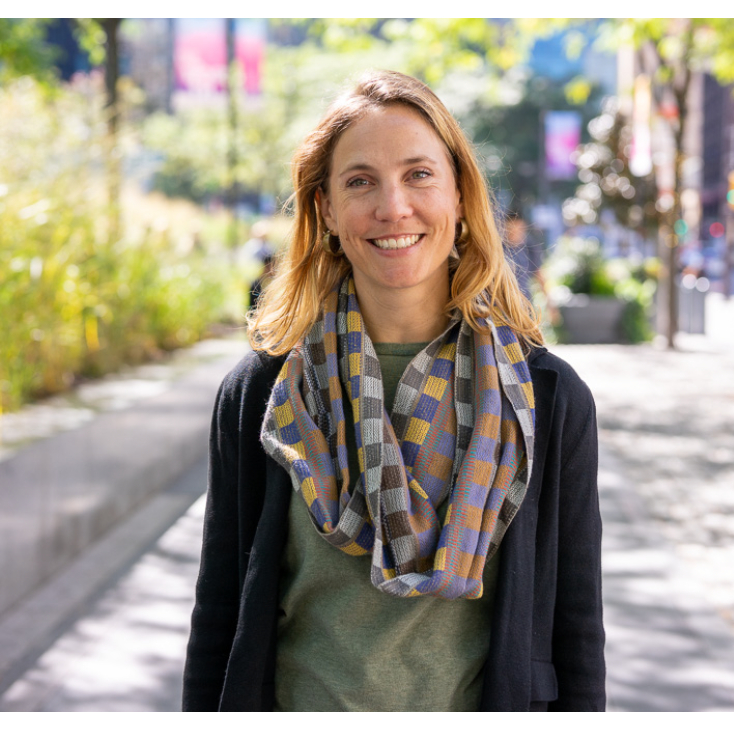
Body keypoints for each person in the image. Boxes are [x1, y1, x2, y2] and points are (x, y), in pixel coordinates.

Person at [182, 70, 604, 712]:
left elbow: (576, 631)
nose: (393, 207)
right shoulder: (263, 392)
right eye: (360, 181)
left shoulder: (547, 399)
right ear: (325, 209)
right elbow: (219, 618)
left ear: (461, 195)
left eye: (419, 175)